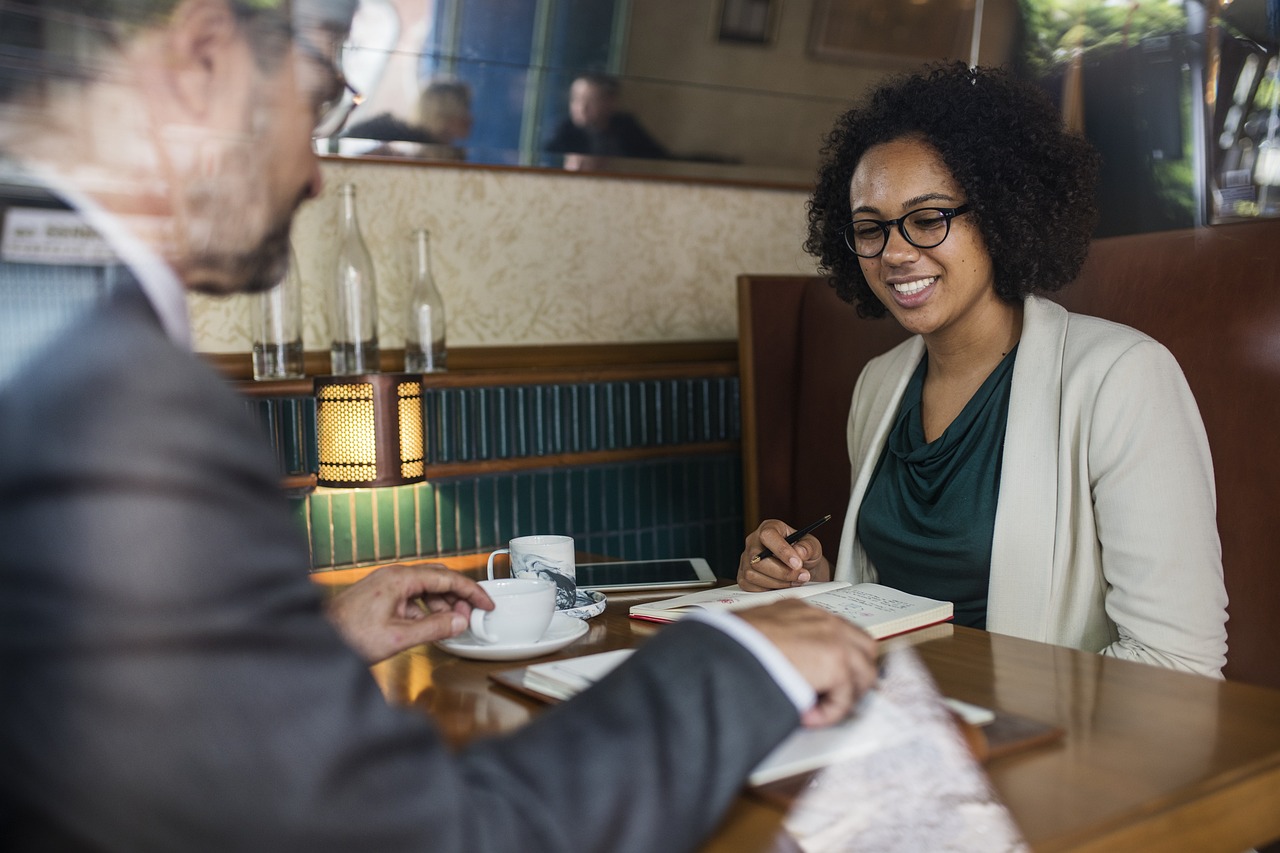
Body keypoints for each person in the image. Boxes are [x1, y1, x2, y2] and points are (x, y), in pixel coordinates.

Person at [0, 1, 879, 851]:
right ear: (201, 61)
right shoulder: (111, 396)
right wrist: (737, 659)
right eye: (311, 103)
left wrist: (308, 647)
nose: (314, 173)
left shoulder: (43, 325)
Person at [737, 62, 1229, 678]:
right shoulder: (879, 385)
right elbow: (908, 605)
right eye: (870, 229)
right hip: (893, 721)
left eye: (928, 219)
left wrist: (992, 727)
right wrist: (809, 582)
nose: (894, 252)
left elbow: (1177, 660)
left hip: (1039, 748)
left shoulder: (1123, 378)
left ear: (999, 214)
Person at [342, 76, 473, 159]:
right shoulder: (389, 135)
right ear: (444, 114)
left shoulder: (451, 155)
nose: (470, 118)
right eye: (465, 108)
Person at [544, 72, 668, 161]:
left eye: (591, 101)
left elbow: (659, 158)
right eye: (576, 99)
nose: (581, 108)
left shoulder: (626, 126)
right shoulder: (564, 131)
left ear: (610, 102)